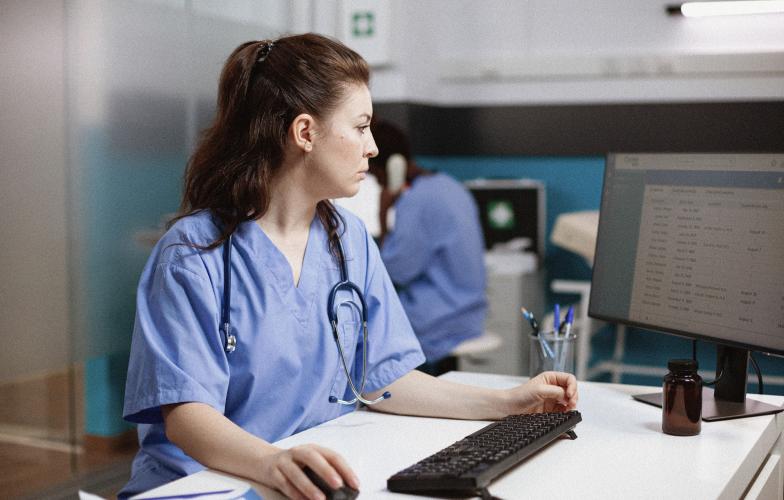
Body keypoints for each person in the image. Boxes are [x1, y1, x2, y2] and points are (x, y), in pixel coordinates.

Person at [120, 33, 578, 500]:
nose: (374, 147)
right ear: (305, 133)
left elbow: (384, 379)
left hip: (308, 476)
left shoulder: (347, 240)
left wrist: (507, 404)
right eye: (361, 127)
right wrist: (273, 463)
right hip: (206, 484)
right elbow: (186, 418)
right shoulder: (194, 252)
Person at [368, 119, 487, 375]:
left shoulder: (417, 201)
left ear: (390, 167)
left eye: (374, 174)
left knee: (364, 327)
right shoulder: (450, 185)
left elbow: (397, 271)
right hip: (469, 314)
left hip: (439, 323)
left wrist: (383, 215)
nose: (376, 182)